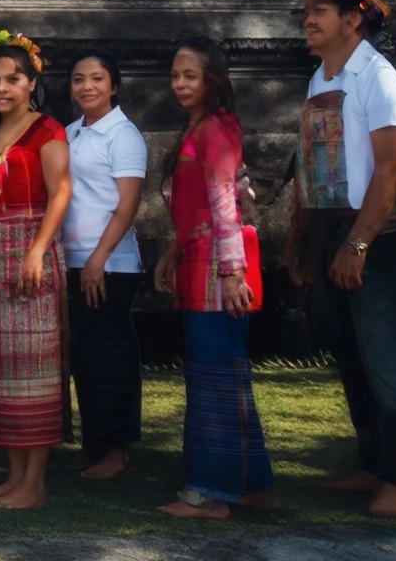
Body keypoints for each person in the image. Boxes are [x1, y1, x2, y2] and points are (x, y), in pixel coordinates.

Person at [289, 0, 396, 518]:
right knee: (351, 355)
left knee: (389, 361)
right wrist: (303, 241)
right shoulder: (321, 77)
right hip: (328, 230)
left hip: (375, 237)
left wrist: (358, 243)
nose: (309, 20)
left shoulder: (379, 79)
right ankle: (373, 463)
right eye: (308, 12)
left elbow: (391, 169)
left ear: (353, 20)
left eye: (320, 12)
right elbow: (312, 166)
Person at [155, 37, 272, 520]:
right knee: (226, 375)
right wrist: (171, 250)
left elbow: (225, 204)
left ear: (213, 81)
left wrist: (230, 273)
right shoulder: (204, 127)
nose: (180, 84)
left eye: (191, 75)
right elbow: (202, 205)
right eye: (176, 75)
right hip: (200, 259)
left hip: (215, 270)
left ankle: (209, 493)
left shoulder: (214, 130)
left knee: (212, 379)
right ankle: (247, 484)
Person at [0, 33, 71, 510]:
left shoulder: (48, 131)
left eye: (13, 79)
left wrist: (37, 251)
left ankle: (37, 482)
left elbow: (61, 193)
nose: (2, 88)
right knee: (3, 365)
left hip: (31, 249)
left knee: (37, 367)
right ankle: (13, 475)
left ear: (32, 82)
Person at [63, 49, 146, 481]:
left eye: (97, 78)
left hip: (111, 264)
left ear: (113, 85)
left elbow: (127, 205)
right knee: (84, 357)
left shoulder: (123, 135)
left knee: (110, 356)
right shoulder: (71, 132)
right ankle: (94, 443)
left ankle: (117, 448)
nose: (87, 87)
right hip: (74, 259)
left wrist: (98, 259)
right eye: (79, 79)